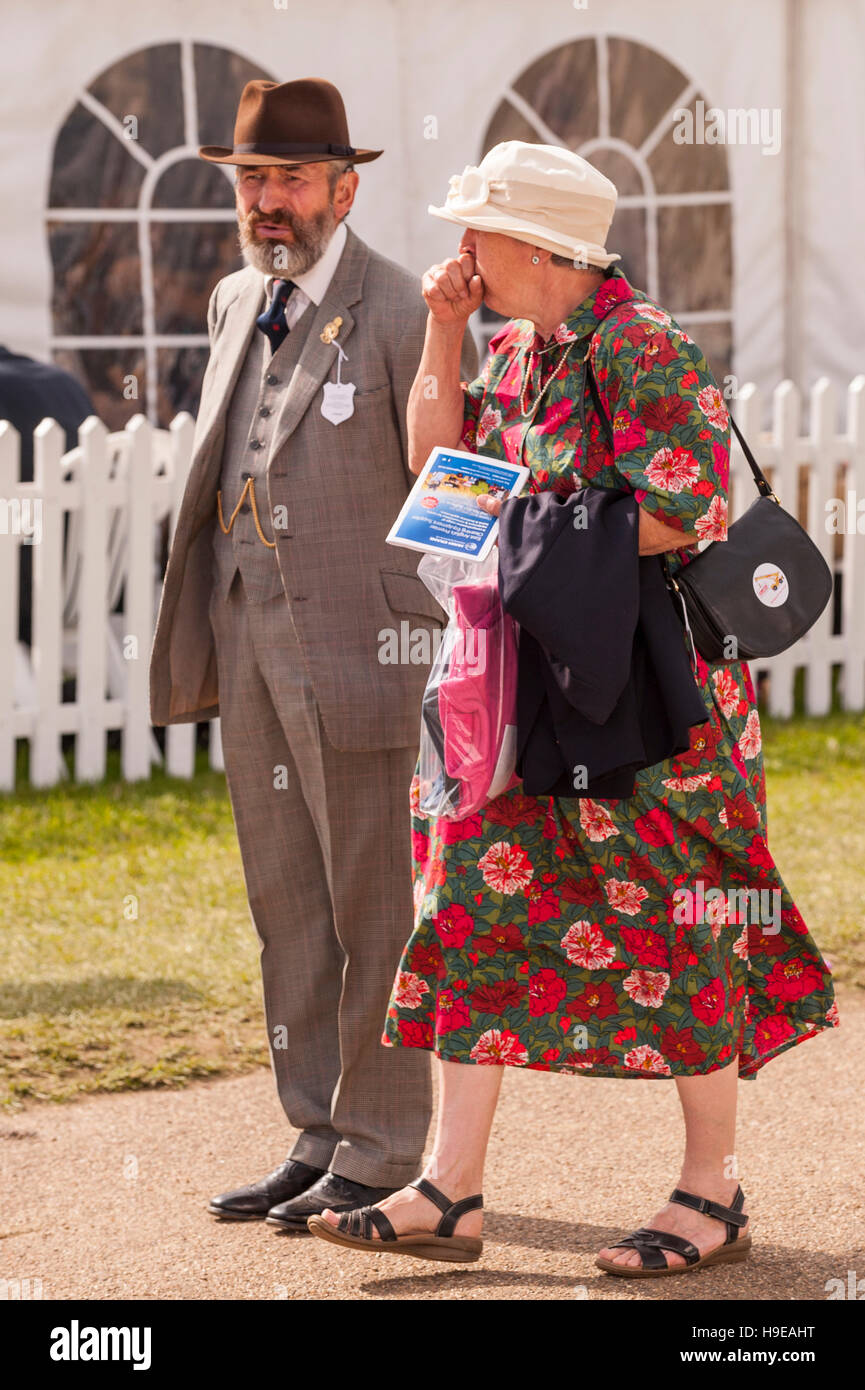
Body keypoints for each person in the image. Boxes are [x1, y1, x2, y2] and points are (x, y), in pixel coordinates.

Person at [309, 141, 838, 1273]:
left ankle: (712, 1191)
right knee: (469, 902)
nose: (457, 250)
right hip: (525, 685)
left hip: (656, 701)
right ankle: (448, 1189)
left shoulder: (643, 346)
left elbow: (680, 508)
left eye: (476, 232)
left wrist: (522, 532)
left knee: (682, 920)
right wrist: (445, 338)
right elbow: (436, 482)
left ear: (542, 247)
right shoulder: (511, 348)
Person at [149, 78, 477, 1231]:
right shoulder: (236, 294)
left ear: (346, 185)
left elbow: (450, 497)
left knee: (371, 906)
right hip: (245, 627)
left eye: (289, 179)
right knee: (283, 897)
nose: (267, 201)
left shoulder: (402, 309)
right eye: (251, 179)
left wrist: (434, 646)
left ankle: (384, 1147)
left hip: (365, 643)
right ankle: (314, 1129)